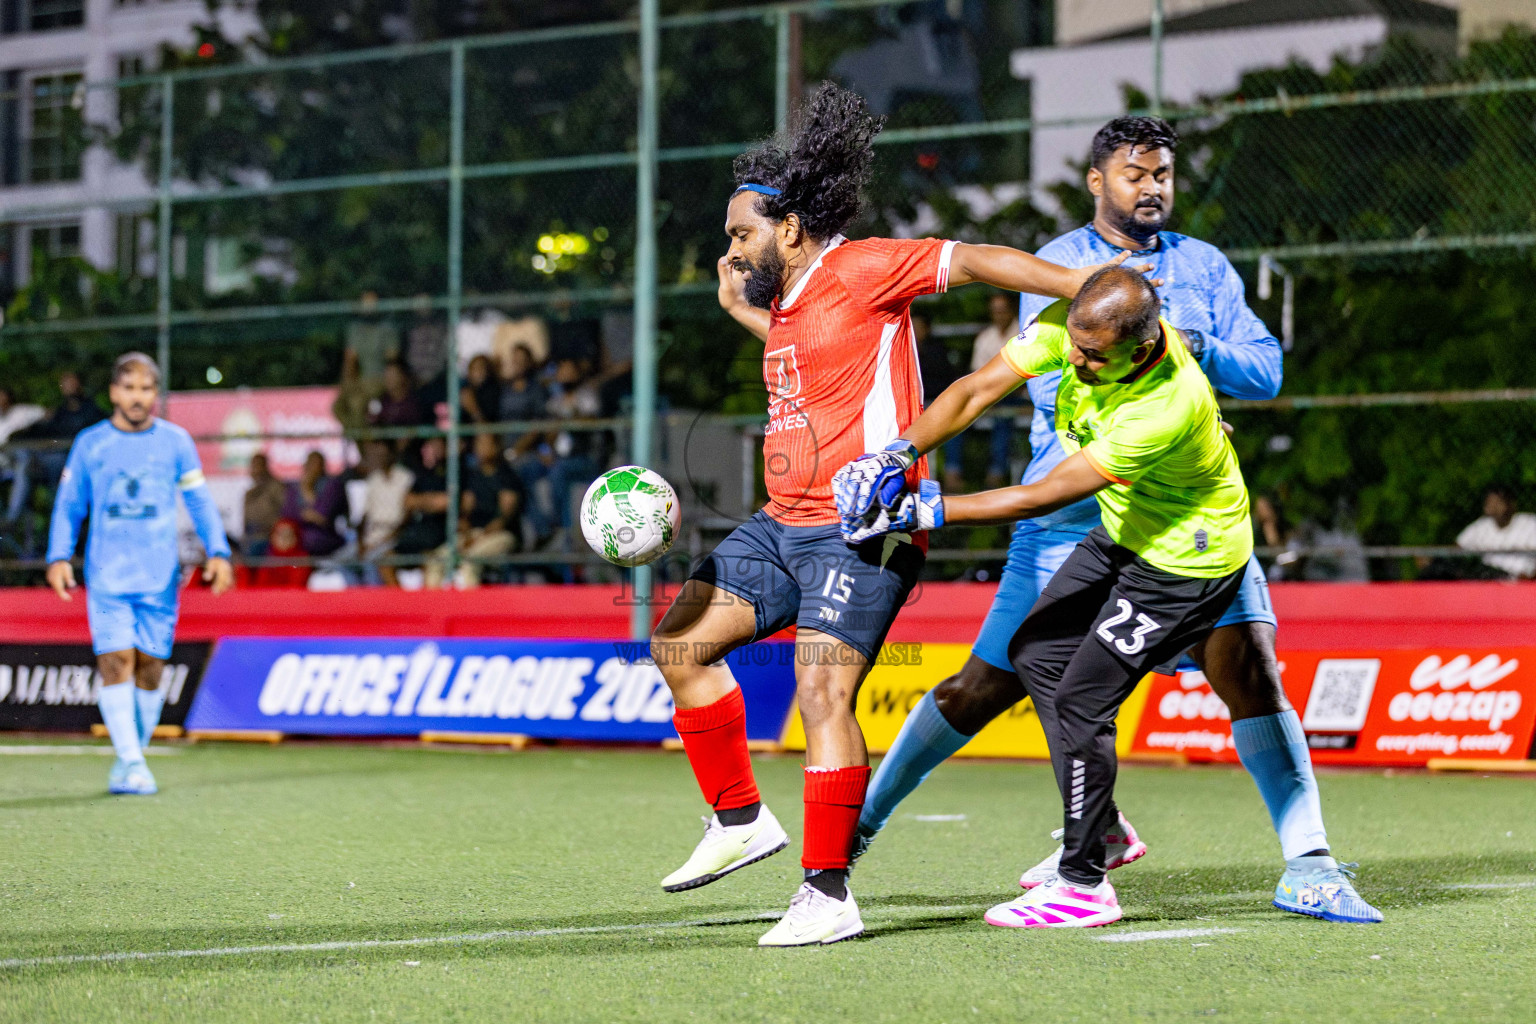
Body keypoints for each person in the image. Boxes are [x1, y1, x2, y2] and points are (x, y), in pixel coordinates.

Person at [850, 115, 1379, 928]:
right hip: (1071, 512)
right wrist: (896, 454)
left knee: (1248, 668)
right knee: (991, 680)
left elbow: (1264, 370)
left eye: (1164, 172)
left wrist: (1189, 347)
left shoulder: (1201, 273)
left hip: (1176, 518)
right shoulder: (1062, 272)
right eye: (1136, 173)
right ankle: (865, 825)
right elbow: (1027, 387)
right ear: (1097, 180)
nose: (1153, 186)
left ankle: (1307, 861)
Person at [650, 82, 1127, 948]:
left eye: (740, 233)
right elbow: (815, 364)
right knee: (678, 643)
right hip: (780, 523)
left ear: (789, 228)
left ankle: (829, 896)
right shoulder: (789, 302)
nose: (731, 247)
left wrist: (1080, 283)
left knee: (822, 689)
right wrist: (742, 313)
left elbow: (976, 258)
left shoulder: (864, 266)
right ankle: (740, 821)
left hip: (863, 532)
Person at [45, 352, 232, 796]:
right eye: (128, 387)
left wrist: (219, 551)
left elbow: (201, 502)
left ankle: (132, 758)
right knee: (116, 663)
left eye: (146, 388)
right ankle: (132, 761)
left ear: (155, 394)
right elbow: (70, 505)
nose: (137, 397)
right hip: (107, 575)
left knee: (150, 669)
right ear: (113, 392)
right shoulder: (91, 443)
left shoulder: (176, 442)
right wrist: (58, 556)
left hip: (159, 578)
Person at [425, 432, 523, 588]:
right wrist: (466, 531)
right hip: (474, 533)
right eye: (478, 444)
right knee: (436, 560)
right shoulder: (473, 476)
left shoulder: (507, 476)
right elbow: (465, 510)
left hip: (501, 535)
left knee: (469, 562)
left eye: (485, 444)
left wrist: (478, 539)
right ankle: (436, 609)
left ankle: (470, 611)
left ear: (496, 447)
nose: (480, 448)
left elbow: (503, 519)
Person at [970, 292, 1023, 487]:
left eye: (1002, 310)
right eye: (995, 311)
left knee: (1003, 418)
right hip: (991, 397)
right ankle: (954, 473)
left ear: (1011, 310)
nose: (999, 314)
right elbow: (977, 375)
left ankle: (996, 473)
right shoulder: (985, 338)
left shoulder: (1025, 330)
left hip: (1021, 397)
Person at [357, 440, 414, 587]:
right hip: (371, 537)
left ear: (392, 455)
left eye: (383, 454)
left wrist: (385, 539)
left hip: (394, 537)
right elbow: (365, 516)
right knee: (341, 562)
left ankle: (376, 606)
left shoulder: (406, 477)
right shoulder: (373, 480)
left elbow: (408, 516)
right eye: (377, 454)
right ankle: (359, 604)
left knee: (371, 561)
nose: (380, 458)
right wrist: (360, 542)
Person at [394, 435, 450, 583]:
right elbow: (407, 501)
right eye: (429, 445)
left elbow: (446, 503)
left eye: (436, 445)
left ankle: (425, 605)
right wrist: (431, 501)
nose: (431, 449)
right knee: (386, 560)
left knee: (428, 559)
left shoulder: (454, 471)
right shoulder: (423, 473)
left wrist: (421, 501)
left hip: (440, 533)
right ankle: (401, 603)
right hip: (418, 532)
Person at [1456, 485, 1536, 579]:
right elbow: (1456, 549)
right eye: (1489, 503)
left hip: (1520, 580)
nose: (1493, 507)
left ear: (1511, 504)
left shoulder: (1530, 524)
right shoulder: (1482, 526)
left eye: (1497, 503)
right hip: (1488, 578)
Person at [281, 451, 346, 558]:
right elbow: (287, 514)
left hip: (323, 536)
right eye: (310, 463)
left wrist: (307, 490)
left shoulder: (332, 485)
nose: (313, 468)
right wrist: (308, 515)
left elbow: (322, 516)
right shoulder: (294, 487)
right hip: (295, 535)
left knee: (310, 540)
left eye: (317, 464)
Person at [242, 453, 287, 559]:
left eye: (259, 465)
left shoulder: (276, 487)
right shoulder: (250, 493)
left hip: (269, 537)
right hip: (250, 537)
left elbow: (285, 514)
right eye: (253, 466)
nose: (255, 470)